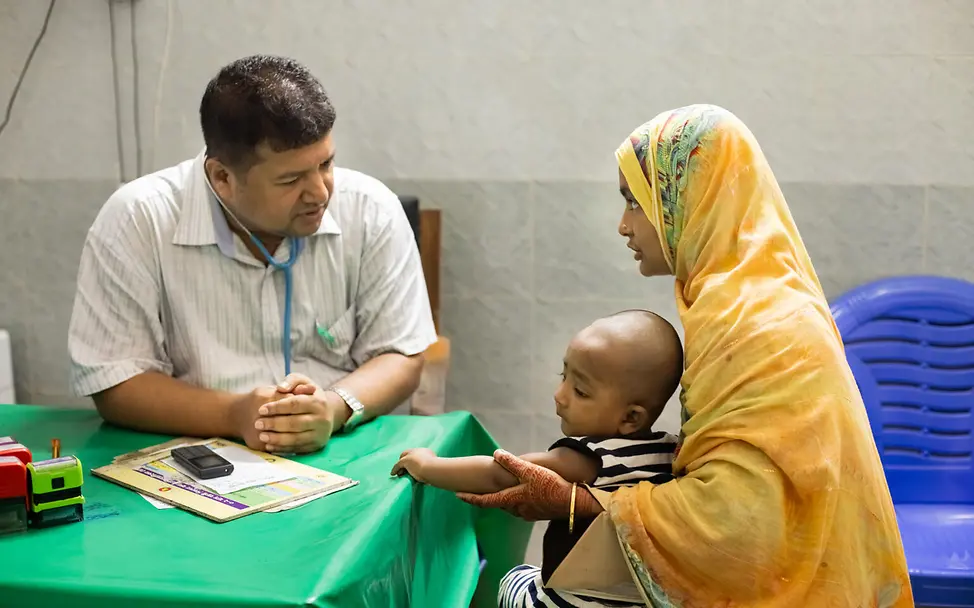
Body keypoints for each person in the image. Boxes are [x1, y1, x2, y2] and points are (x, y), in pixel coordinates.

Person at [460, 104, 914, 607]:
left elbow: (742, 519)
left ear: (689, 199)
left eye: (636, 202)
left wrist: (579, 503)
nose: (623, 226)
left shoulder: (749, 319)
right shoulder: (745, 293)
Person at [68, 55, 436, 454]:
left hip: (341, 448)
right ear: (222, 178)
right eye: (291, 179)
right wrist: (235, 415)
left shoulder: (372, 209)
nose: (321, 193)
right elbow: (116, 381)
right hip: (196, 456)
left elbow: (401, 354)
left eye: (326, 164)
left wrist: (334, 407)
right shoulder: (137, 219)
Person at [392, 309, 683, 608]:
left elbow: (500, 473)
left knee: (513, 580)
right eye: (563, 376)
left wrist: (428, 466)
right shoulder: (669, 452)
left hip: (572, 601)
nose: (560, 395)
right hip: (639, 600)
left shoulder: (588, 457)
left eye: (580, 391)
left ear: (631, 418)